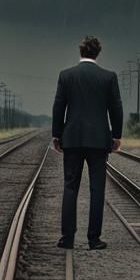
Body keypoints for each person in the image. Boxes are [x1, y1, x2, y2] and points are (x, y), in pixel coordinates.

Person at [51, 34, 123, 250]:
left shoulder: (66, 75)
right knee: (97, 189)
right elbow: (116, 108)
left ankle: (67, 238)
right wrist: (116, 135)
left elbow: (58, 107)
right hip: (99, 140)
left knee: (70, 187)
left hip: (72, 138)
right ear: (97, 53)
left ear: (80, 52)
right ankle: (94, 239)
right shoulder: (108, 77)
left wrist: (57, 134)